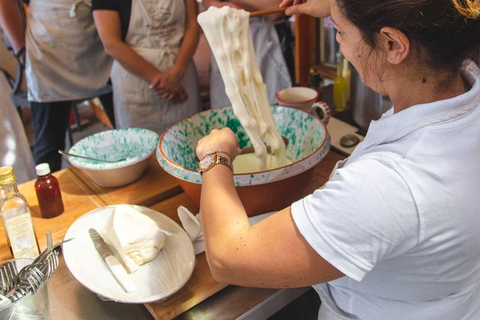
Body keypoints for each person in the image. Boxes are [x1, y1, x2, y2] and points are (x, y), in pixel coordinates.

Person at [195, 0, 480, 319]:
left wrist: (215, 157)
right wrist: (341, 7)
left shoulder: (392, 182)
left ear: (392, 44)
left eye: (340, 32)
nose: (340, 44)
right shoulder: (464, 81)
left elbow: (227, 258)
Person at [0, 0, 114, 172]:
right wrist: (22, 52)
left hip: (102, 42)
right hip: (48, 53)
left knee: (129, 127)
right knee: (48, 150)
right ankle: (47, 195)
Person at [91, 0, 202, 136]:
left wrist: (177, 72)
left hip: (182, 73)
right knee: (143, 149)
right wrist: (160, 80)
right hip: (136, 80)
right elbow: (111, 44)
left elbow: (193, 25)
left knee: (190, 140)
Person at [202, 0, 293, 108]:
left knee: (270, 104)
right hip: (226, 40)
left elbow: (277, 6)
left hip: (266, 39)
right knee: (229, 106)